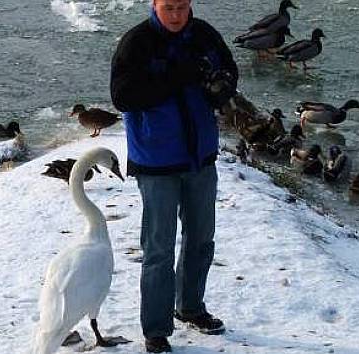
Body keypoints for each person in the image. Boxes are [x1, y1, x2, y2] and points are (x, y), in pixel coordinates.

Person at [110, 0, 237, 352]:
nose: (177, 15)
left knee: (201, 239)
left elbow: (229, 69)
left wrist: (223, 86)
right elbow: (122, 97)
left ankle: (190, 307)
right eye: (169, 8)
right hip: (156, 161)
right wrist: (176, 76)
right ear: (154, 5)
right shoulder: (136, 43)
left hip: (200, 158)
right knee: (159, 248)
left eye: (182, 6)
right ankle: (156, 329)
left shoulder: (204, 35)